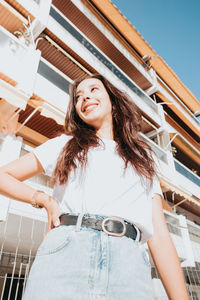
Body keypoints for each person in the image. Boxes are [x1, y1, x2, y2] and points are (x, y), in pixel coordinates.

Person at [0, 74, 188, 300]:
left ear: (113, 102)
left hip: (128, 265)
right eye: (78, 96)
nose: (85, 96)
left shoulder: (143, 159)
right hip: (67, 252)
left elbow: (159, 233)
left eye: (94, 89)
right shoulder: (65, 145)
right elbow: (4, 175)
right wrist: (43, 199)